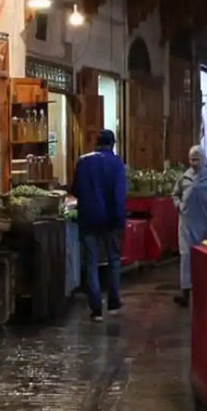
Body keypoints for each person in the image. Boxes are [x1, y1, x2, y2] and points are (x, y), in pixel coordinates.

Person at [72, 129, 127, 321]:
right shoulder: (117, 163)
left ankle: (96, 309)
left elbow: (75, 189)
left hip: (88, 219)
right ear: (113, 144)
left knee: (91, 262)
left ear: (96, 143)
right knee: (114, 260)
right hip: (111, 220)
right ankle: (113, 302)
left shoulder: (83, 162)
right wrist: (120, 221)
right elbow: (119, 195)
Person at [172, 146, 207, 306]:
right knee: (186, 256)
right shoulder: (184, 177)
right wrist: (179, 205)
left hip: (206, 223)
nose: (193, 163)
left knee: (205, 257)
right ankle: (185, 291)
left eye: (197, 159)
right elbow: (175, 194)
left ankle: (206, 292)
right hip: (187, 223)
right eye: (191, 159)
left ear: (204, 160)